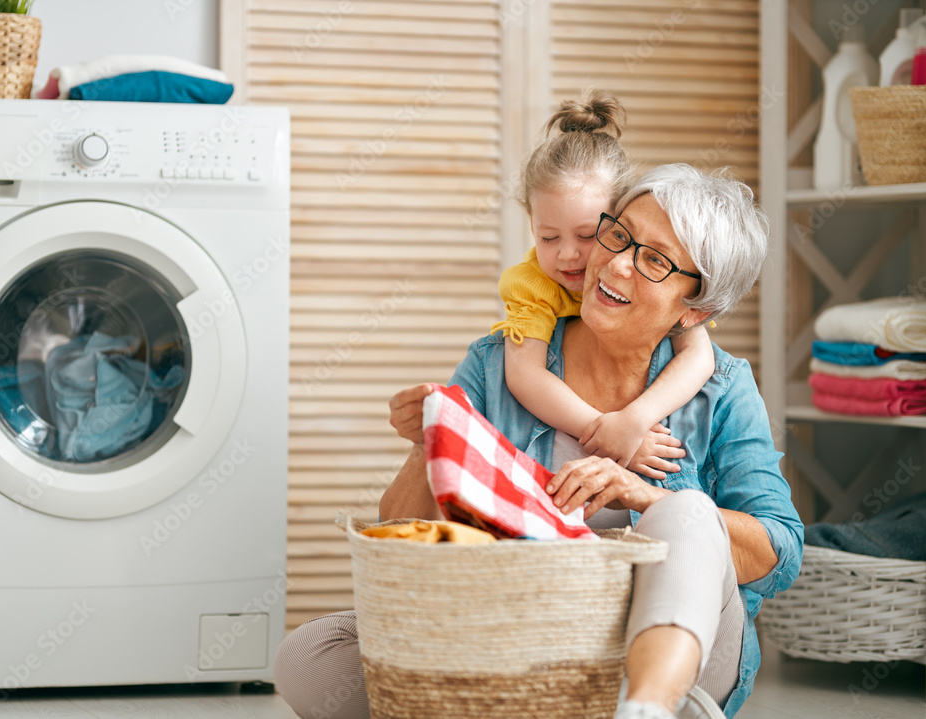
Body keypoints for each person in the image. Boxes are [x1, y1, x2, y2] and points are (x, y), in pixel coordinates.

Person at [275, 164, 804, 719]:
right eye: (619, 233)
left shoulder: (722, 387)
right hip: (520, 639)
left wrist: (641, 494)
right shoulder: (497, 359)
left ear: (694, 309)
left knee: (691, 515)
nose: (614, 262)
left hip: (674, 649)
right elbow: (400, 536)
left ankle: (644, 707)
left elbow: (781, 553)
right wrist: (428, 444)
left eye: (653, 260)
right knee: (309, 652)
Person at [493, 90, 714, 473]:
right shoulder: (532, 285)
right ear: (532, 224)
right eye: (548, 237)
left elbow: (698, 356)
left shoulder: (653, 286)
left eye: (586, 236)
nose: (567, 255)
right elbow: (525, 376)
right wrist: (604, 431)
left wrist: (634, 420)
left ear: (620, 222)